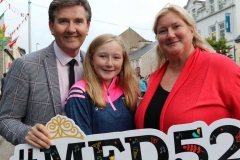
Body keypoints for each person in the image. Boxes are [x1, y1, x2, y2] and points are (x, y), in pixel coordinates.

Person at [135, 4, 240, 133]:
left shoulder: (221, 66)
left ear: (191, 30)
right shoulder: (155, 77)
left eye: (176, 26)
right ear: (157, 39)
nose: (170, 35)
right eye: (162, 31)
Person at [0, 0, 91, 149]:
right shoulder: (25, 66)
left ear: (87, 27)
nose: (71, 29)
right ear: (51, 26)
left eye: (78, 21)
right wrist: (25, 133)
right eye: (63, 21)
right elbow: (5, 118)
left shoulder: (95, 65)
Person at [65, 34, 139, 135]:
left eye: (116, 57)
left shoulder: (129, 89)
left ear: (123, 61)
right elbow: (81, 141)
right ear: (91, 59)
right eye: (103, 56)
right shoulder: (80, 92)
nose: (109, 63)